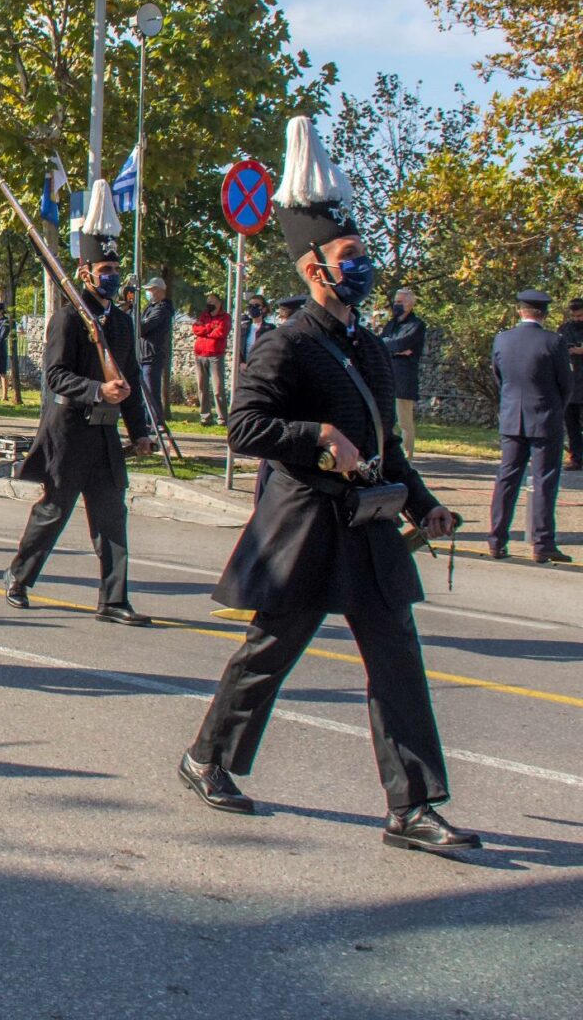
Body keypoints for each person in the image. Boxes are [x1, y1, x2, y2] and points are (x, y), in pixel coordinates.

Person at [180, 115, 475, 855]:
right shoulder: (288, 345)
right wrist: (315, 437)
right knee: (269, 652)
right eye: (352, 257)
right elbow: (244, 429)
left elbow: (387, 444)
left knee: (399, 661)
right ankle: (206, 757)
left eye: (365, 255)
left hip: (371, 529)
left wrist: (427, 503)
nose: (363, 268)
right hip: (308, 528)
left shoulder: (367, 345)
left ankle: (411, 808)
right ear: (313, 267)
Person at [2, 182, 154, 624]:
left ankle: (113, 599)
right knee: (53, 512)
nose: (111, 275)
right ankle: (19, 576)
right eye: (104, 268)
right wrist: (95, 390)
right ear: (85, 272)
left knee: (112, 519)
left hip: (105, 436)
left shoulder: (122, 324)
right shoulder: (69, 317)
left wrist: (140, 430)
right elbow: (54, 376)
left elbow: (131, 381)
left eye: (115, 267)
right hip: (69, 431)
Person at [488, 289, 571, 563]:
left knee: (507, 479)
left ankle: (497, 539)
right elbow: (565, 385)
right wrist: (556, 408)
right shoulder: (554, 342)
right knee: (544, 481)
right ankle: (542, 542)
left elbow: (499, 377)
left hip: (513, 417)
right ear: (544, 313)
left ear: (519, 311)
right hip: (545, 418)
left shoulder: (503, 339)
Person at [380, 287, 426, 452]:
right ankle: (389, 456)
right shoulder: (391, 325)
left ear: (410, 304)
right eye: (396, 302)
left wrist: (393, 346)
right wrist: (396, 349)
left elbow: (401, 343)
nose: (396, 305)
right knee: (387, 421)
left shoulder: (417, 325)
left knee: (404, 422)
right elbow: (380, 343)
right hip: (387, 377)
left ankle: (407, 458)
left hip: (404, 379)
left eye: (400, 302)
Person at [137, 278, 174, 425]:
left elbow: (143, 327)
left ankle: (156, 422)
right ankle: (147, 420)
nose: (148, 293)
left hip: (153, 355)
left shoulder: (162, 309)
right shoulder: (149, 308)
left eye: (150, 290)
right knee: (144, 392)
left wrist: (137, 325)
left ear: (159, 291)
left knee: (151, 391)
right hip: (143, 354)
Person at [191, 294, 231, 423]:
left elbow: (221, 332)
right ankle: (205, 416)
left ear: (219, 303)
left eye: (212, 301)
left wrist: (205, 330)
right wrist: (209, 327)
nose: (209, 303)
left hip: (215, 355)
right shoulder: (204, 315)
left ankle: (222, 417)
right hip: (200, 354)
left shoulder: (225, 317)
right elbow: (196, 329)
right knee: (202, 387)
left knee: (218, 388)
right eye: (208, 301)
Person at [561, 298, 583, 470]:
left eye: (581, 315)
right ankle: (576, 458)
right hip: (572, 384)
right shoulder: (565, 329)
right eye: (575, 315)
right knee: (572, 424)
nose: (578, 319)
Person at [235, 293, 274, 371]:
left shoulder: (270, 329)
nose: (252, 308)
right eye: (250, 306)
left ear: (264, 309)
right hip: (244, 369)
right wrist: (241, 363)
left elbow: (271, 351)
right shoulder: (243, 327)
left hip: (261, 369)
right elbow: (237, 348)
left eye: (256, 306)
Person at [0, 300, 16, 403]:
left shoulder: (5, 321)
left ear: (1, 311)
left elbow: (2, 336)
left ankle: (4, 395)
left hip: (0, 349)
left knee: (2, 372)